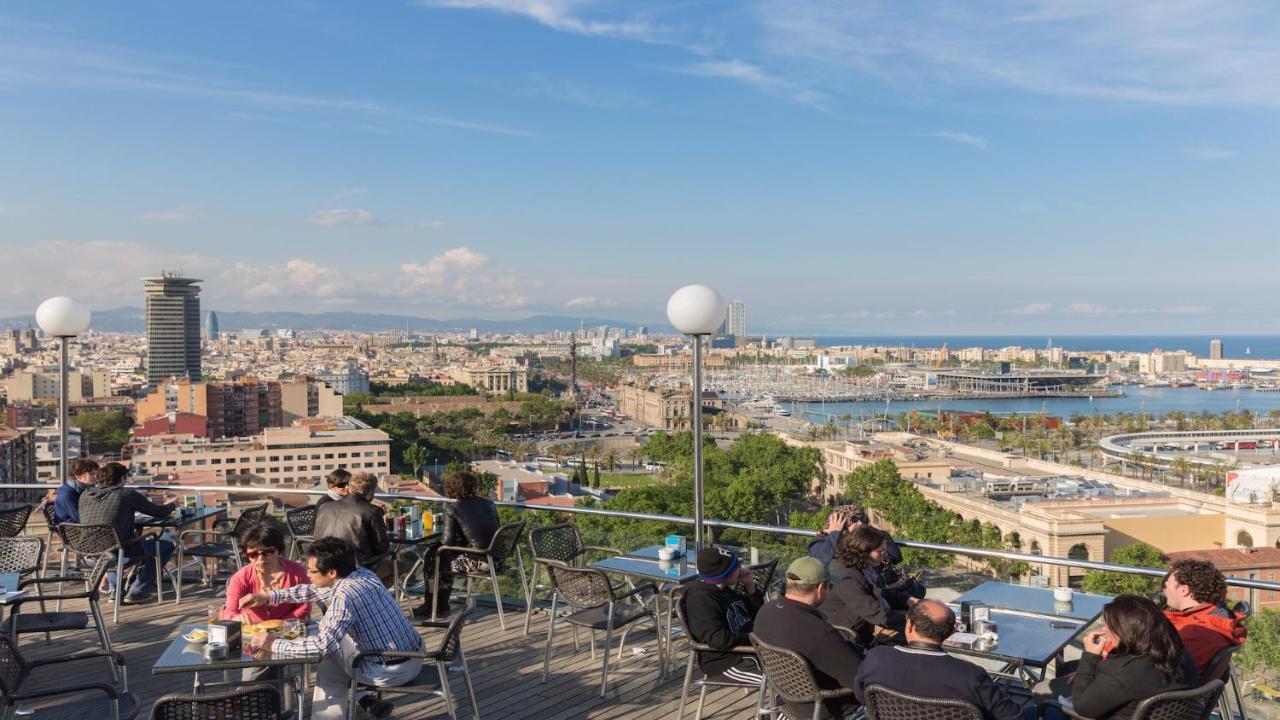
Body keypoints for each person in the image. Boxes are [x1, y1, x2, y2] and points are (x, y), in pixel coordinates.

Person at [241, 537, 423, 720]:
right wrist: (267, 596)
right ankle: (362, 698)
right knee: (330, 643)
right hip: (416, 656)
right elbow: (312, 590)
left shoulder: (344, 597)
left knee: (328, 653)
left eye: (311, 571)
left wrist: (273, 644)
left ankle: (338, 710)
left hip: (389, 672)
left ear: (332, 573)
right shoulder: (362, 574)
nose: (308, 575)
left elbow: (322, 645)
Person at [854, 600, 1023, 720]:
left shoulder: (876, 659)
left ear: (909, 625)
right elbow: (1013, 716)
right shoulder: (970, 676)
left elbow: (863, 697)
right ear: (950, 632)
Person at [753, 557, 863, 720]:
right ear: (820, 589)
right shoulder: (819, 632)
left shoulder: (765, 611)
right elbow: (859, 679)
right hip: (823, 708)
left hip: (788, 699)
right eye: (829, 586)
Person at [1070, 595, 1198, 720]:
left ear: (1124, 631)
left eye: (1108, 625)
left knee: (1053, 709)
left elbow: (1083, 708)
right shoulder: (1181, 654)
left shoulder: (1122, 673)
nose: (1104, 629)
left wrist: (1090, 656)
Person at [220, 523, 310, 682]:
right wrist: (236, 618)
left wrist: (278, 626)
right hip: (253, 637)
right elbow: (229, 612)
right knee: (261, 658)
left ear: (278, 550)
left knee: (262, 662)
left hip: (289, 631)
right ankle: (264, 696)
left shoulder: (297, 572)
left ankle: (251, 695)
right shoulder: (241, 577)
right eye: (253, 554)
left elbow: (304, 608)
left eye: (268, 552)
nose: (261, 559)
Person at [78, 462, 177, 604]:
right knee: (166, 546)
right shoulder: (126, 494)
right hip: (120, 552)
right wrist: (173, 505)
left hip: (89, 554)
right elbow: (158, 512)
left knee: (109, 545)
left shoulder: (85, 495)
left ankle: (116, 591)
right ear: (123, 478)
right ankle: (137, 591)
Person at [415, 469, 498, 620]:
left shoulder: (452, 506)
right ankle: (441, 605)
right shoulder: (489, 503)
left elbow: (447, 541)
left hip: (477, 562)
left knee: (434, 557)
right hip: (495, 558)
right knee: (442, 557)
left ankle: (432, 606)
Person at [681, 547, 766, 685]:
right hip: (727, 661)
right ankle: (781, 705)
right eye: (736, 567)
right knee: (783, 681)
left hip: (752, 650)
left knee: (796, 670)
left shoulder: (724, 590)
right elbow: (717, 639)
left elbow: (758, 616)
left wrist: (750, 587)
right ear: (724, 574)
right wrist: (754, 638)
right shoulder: (701, 599)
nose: (741, 569)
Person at [809, 507, 921, 609]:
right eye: (853, 519)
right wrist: (834, 534)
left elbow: (895, 556)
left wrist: (872, 535)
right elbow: (819, 563)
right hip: (848, 605)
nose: (860, 522)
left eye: (862, 518)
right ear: (839, 523)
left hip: (876, 596)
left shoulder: (861, 542)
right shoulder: (822, 541)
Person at [822, 525, 913, 647]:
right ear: (863, 550)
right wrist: (917, 624)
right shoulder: (846, 576)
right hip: (850, 631)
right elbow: (874, 613)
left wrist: (908, 600)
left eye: (884, 550)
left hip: (864, 620)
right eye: (880, 551)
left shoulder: (864, 565)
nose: (884, 554)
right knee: (915, 638)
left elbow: (880, 593)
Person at [1161, 558, 1248, 676]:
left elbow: (1162, 671)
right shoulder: (1219, 618)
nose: (1163, 591)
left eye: (1166, 586)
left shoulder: (1195, 631)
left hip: (1170, 688)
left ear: (1184, 590)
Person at [312, 472, 391, 578]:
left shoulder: (325, 506)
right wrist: (384, 528)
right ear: (371, 492)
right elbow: (383, 547)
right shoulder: (372, 511)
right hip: (355, 570)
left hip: (324, 567)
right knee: (397, 566)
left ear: (349, 488)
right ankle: (367, 592)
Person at [53, 457, 99, 524]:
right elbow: (78, 517)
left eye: (96, 473)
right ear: (78, 476)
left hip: (84, 525)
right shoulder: (67, 494)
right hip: (72, 529)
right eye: (91, 474)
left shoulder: (85, 489)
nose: (95, 476)